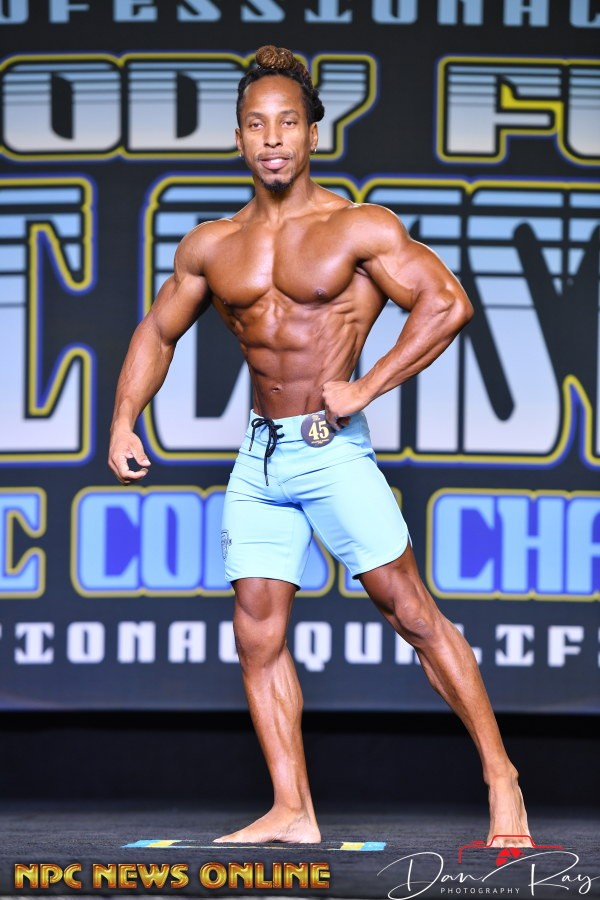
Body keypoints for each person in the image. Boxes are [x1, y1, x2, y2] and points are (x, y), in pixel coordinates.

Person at [109, 45, 530, 847]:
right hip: (260, 458)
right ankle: (292, 809)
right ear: (239, 137)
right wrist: (125, 419)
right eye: (256, 124)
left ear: (312, 134)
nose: (272, 139)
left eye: (287, 123)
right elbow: (157, 333)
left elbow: (446, 303)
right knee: (256, 632)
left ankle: (501, 776)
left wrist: (366, 388)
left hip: (332, 448)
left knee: (411, 612)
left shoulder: (357, 226)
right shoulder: (212, 245)